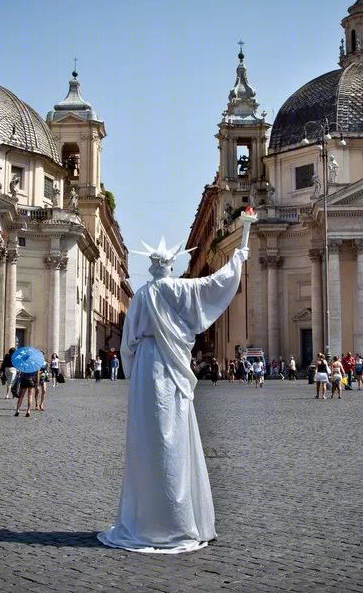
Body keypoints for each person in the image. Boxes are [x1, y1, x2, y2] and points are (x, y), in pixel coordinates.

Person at [99, 215, 255, 554]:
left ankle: (146, 519)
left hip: (145, 371)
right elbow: (215, 284)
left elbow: (127, 344)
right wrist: (239, 256)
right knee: (175, 439)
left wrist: (134, 365)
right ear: (171, 265)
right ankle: (180, 518)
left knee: (146, 441)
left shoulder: (140, 296)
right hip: (171, 370)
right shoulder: (181, 290)